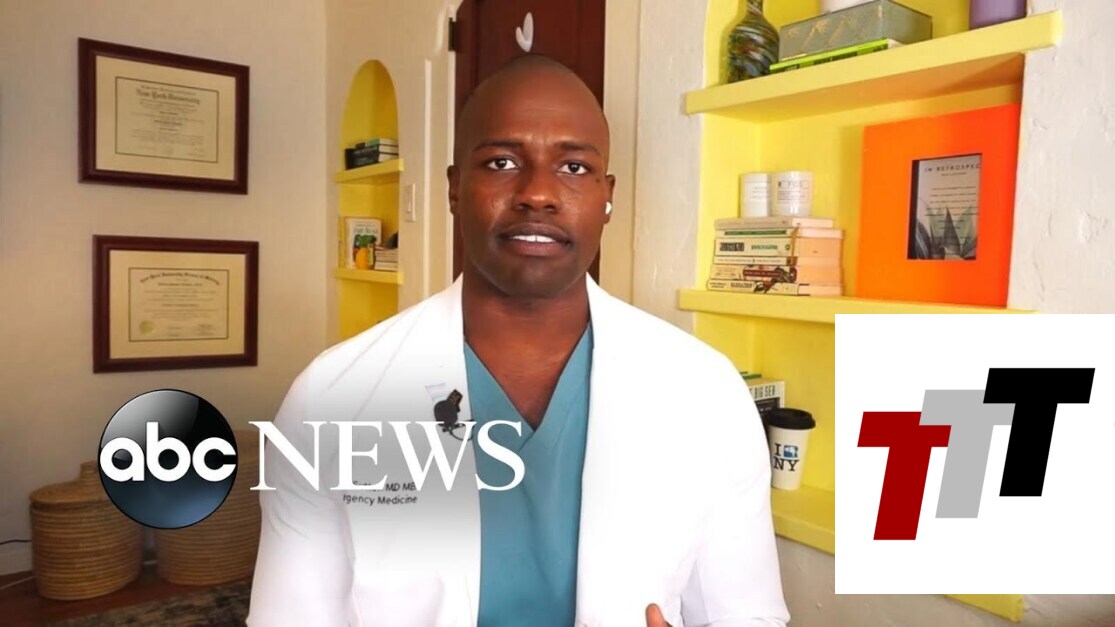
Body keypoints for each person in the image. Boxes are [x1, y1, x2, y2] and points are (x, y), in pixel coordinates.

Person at [248, 54, 788, 627]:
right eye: (502, 162)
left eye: (574, 167)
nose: (538, 193)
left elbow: (746, 615)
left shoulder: (706, 392)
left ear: (607, 197)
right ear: (455, 188)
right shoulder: (331, 395)